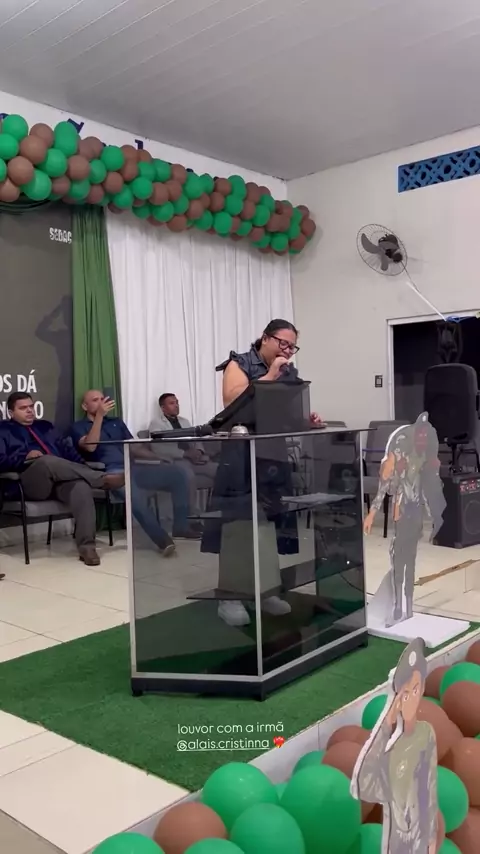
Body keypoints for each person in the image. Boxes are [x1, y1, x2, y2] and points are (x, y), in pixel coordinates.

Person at [204, 319, 323, 627]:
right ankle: (230, 596)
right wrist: (269, 377)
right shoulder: (240, 364)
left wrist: (305, 419)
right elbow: (232, 404)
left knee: (270, 525)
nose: (288, 351)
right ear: (265, 338)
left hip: (272, 455)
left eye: (292, 347)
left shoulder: (288, 371)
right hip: (241, 455)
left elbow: (286, 413)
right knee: (238, 525)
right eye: (284, 344)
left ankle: (266, 589)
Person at [70, 391, 200, 558]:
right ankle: (162, 540)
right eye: (95, 400)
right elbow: (90, 446)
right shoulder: (78, 426)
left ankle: (181, 526)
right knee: (134, 494)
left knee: (178, 474)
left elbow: (135, 448)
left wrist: (158, 458)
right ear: (84, 406)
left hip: (134, 467)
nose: (101, 402)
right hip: (110, 473)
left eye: (102, 399)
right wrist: (99, 417)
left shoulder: (116, 422)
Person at [0, 392, 124, 566]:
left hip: (59, 481)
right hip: (29, 483)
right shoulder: (3, 430)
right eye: (23, 408)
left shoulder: (45, 426)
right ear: (11, 412)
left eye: (31, 406)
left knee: (81, 487)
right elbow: (1, 461)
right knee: (46, 461)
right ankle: (102, 480)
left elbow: (68, 451)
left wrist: (82, 468)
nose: (29, 411)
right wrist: (24, 457)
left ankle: (87, 547)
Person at [352, 638, 437, 854]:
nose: (411, 700)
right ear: (398, 699)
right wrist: (386, 723)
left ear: (423, 688)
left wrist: (431, 840)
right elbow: (363, 786)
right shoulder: (390, 750)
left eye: (415, 690)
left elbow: (429, 789)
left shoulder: (426, 734)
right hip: (399, 842)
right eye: (405, 694)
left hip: (420, 838)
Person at [363, 413, 446, 626]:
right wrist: (372, 513)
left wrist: (435, 516)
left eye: (424, 436)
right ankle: (398, 605)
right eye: (419, 435)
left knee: (411, 559)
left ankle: (408, 607)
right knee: (398, 558)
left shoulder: (425, 457)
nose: (421, 439)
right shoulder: (400, 454)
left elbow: (428, 488)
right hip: (401, 513)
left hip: (415, 512)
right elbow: (384, 485)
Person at [149, 393, 217, 512]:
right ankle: (191, 515)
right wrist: (185, 454)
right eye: (172, 403)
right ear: (163, 408)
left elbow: (196, 438)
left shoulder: (185, 421)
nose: (176, 405)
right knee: (187, 475)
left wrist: (199, 451)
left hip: (194, 460)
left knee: (218, 469)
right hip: (176, 461)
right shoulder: (156, 424)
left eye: (177, 402)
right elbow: (159, 448)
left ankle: (217, 508)